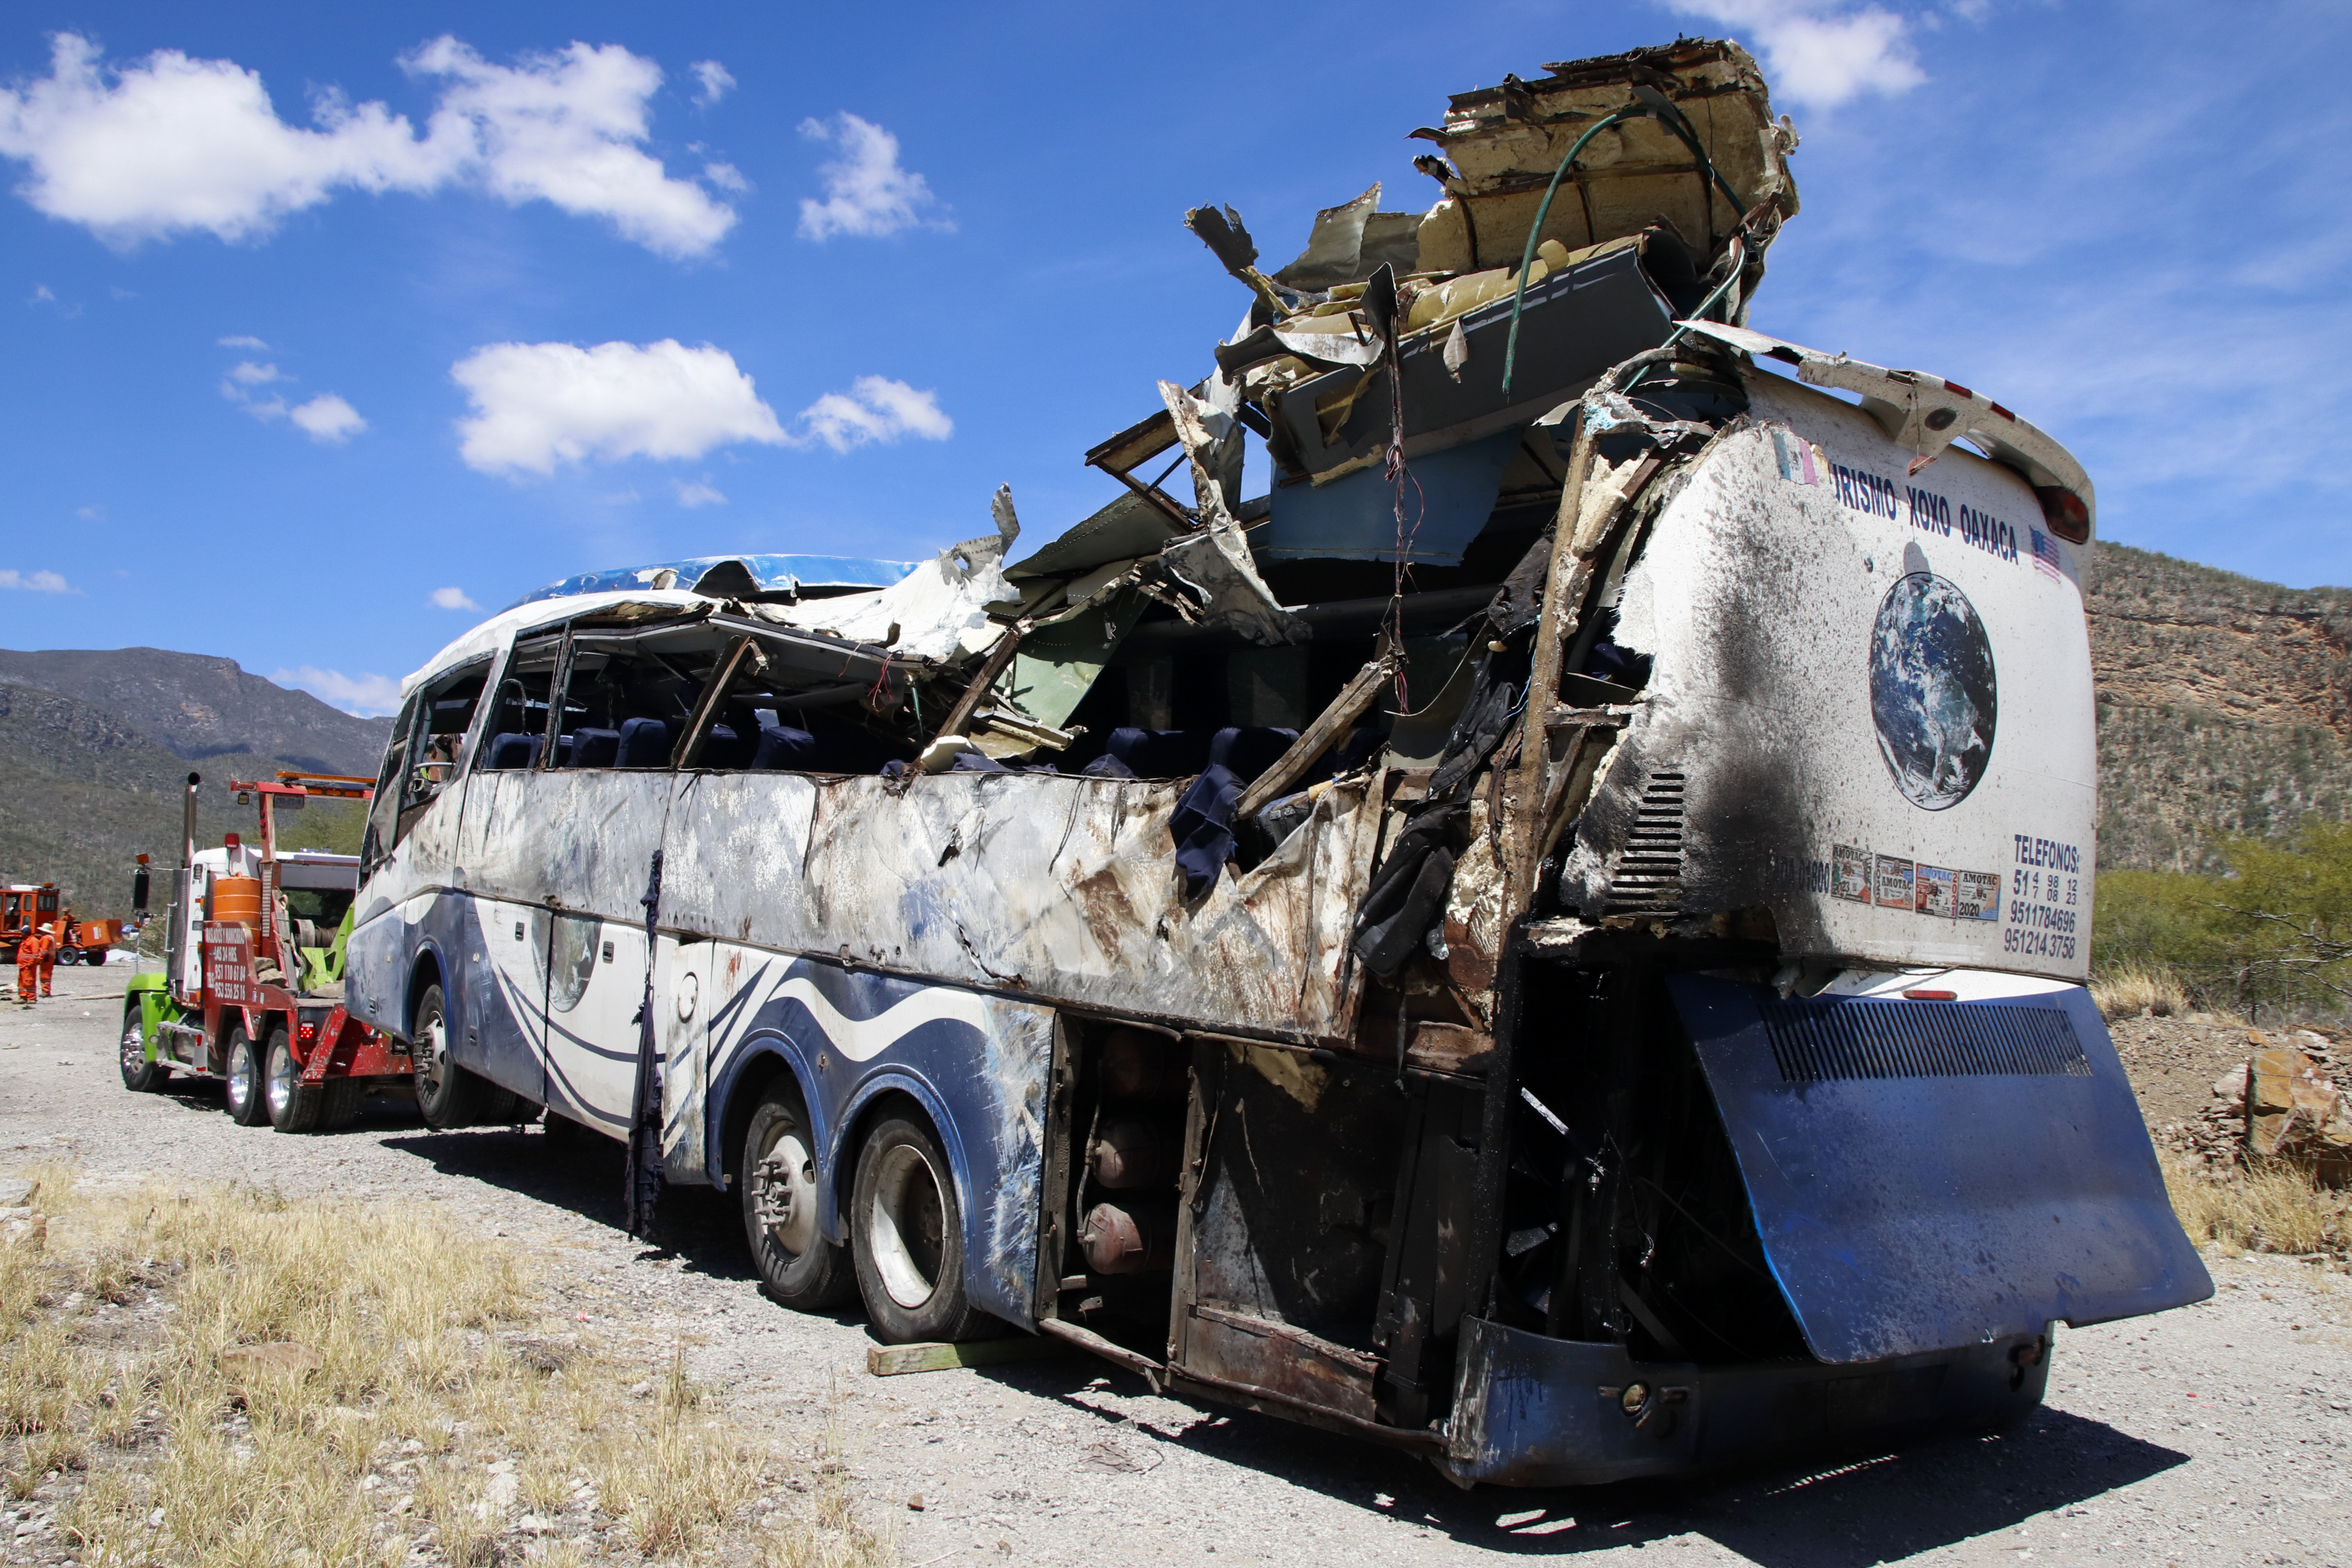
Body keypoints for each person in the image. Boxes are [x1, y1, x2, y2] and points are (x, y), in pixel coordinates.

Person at [15, 928, 48, 1006]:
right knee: (21, 982)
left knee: (28, 982)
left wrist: (31, 963)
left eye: (22, 932)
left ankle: (31, 998)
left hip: (28, 965)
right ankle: (23, 997)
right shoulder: (26, 940)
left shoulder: (34, 941)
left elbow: (35, 954)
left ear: (25, 933)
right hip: (22, 965)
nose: (21, 934)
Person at [38, 919, 60, 997]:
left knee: (44, 975)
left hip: (46, 959)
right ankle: (47, 991)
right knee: (48, 974)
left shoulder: (46, 938)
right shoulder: (52, 938)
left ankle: (45, 991)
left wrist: (39, 958)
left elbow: (44, 950)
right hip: (51, 958)